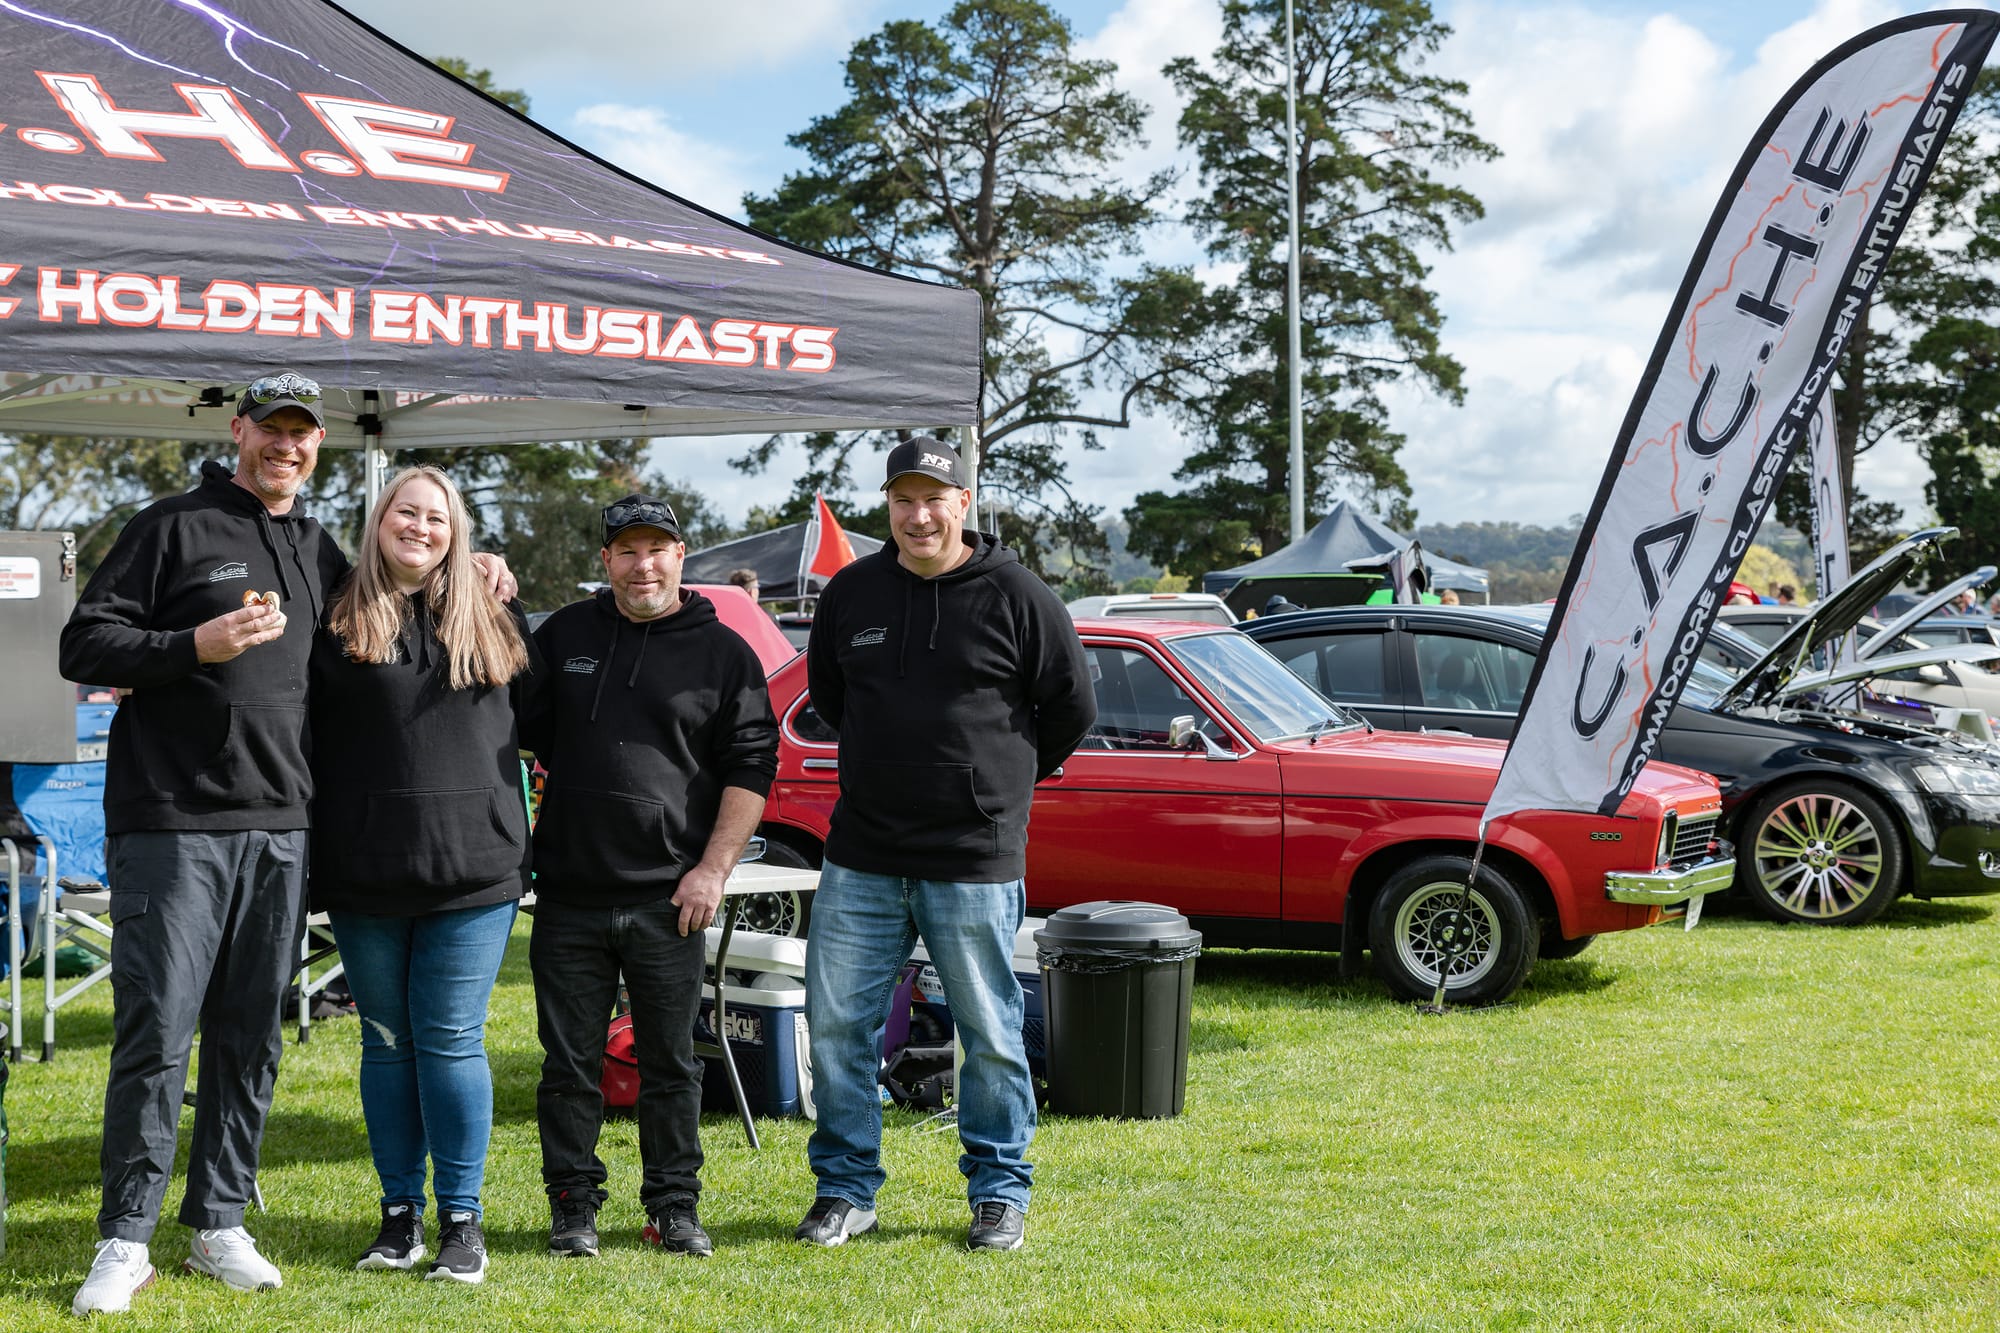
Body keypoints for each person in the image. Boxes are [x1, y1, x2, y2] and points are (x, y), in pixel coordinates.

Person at [57, 369, 514, 1316]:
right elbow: (83, 644)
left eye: (304, 434)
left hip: (285, 828)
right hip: (175, 822)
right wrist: (194, 645)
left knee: (251, 1034)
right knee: (157, 1032)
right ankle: (126, 1237)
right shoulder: (171, 527)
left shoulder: (316, 548)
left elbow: (402, 596)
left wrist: (484, 566)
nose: (288, 447)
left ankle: (220, 1218)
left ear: (318, 447)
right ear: (240, 431)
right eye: (273, 429)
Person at [798, 437, 1094, 1253]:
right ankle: (847, 1190)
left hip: (973, 856)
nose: (918, 514)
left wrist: (998, 784)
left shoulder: (1019, 595)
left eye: (935, 497)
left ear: (963, 502)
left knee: (990, 1034)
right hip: (862, 854)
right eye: (903, 499)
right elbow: (830, 696)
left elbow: (1071, 706)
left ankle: (1000, 1192)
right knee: (837, 1029)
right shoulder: (851, 594)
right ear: (887, 505)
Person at [518, 494, 778, 1261]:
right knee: (568, 1065)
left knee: (670, 1062)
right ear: (606, 561)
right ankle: (573, 1206)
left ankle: (673, 1206)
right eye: (627, 551)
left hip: (671, 898)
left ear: (681, 554)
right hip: (568, 894)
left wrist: (712, 869)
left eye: (657, 548)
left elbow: (752, 765)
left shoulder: (724, 653)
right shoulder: (563, 635)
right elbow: (514, 734)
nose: (644, 564)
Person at [308, 466, 540, 1285]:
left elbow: (547, 729)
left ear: (459, 530)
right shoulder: (334, 616)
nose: (420, 527)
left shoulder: (494, 613)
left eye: (436, 516)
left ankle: (462, 1222)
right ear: (378, 521)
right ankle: (398, 1215)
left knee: (449, 1039)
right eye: (406, 511)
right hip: (366, 872)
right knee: (387, 1043)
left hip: (474, 871)